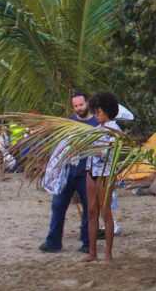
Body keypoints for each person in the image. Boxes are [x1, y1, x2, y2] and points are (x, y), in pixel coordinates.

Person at [40, 92, 99, 254]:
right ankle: (53, 242)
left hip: (88, 173)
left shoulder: (97, 123)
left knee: (90, 208)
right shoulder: (68, 122)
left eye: (81, 105)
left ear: (87, 103)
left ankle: (87, 243)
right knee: (58, 206)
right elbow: (59, 147)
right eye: (75, 106)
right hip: (67, 172)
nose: (79, 108)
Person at [82, 91, 121, 264]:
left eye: (99, 112)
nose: (97, 115)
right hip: (92, 171)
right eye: (95, 111)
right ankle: (92, 252)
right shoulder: (97, 129)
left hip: (105, 173)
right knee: (91, 212)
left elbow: (103, 153)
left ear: (107, 110)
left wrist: (86, 148)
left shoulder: (114, 129)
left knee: (106, 213)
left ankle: (108, 254)